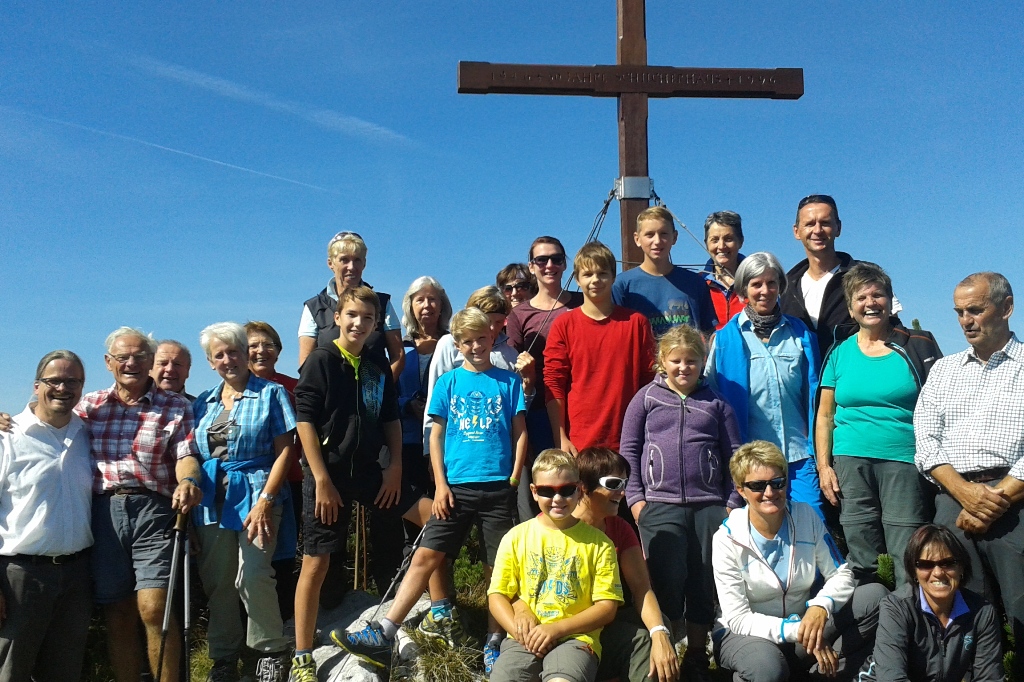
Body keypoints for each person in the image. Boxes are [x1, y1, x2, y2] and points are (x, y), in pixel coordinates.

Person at [336, 307, 527, 676]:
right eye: (467, 341)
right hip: (455, 488)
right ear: (457, 345)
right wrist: (439, 484)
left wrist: (515, 478)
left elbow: (520, 432)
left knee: (496, 569)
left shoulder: (508, 381)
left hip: (498, 487)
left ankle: (493, 640)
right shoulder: (448, 382)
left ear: (492, 337)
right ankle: (386, 631)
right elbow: (435, 435)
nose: (475, 346)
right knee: (426, 555)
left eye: (481, 339)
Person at [289, 286, 437, 682]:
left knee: (435, 523)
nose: (359, 323)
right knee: (316, 563)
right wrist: (320, 480)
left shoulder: (374, 365)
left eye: (368, 319)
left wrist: (394, 469)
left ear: (376, 325)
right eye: (351, 315)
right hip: (329, 477)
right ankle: (302, 655)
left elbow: (390, 418)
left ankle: (441, 612)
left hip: (372, 472)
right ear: (337, 317)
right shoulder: (321, 360)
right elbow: (303, 421)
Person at [76, 327, 203, 682]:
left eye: (138, 357)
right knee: (117, 610)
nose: (130, 363)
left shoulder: (175, 406)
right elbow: (49, 420)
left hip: (154, 509)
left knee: (154, 608)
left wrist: (189, 480)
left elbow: (186, 454)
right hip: (102, 511)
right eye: (122, 357)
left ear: (150, 361)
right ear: (108, 363)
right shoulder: (90, 405)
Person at [914, 271, 1024, 680]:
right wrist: (965, 494)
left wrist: (993, 499)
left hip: (1015, 504)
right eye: (959, 312)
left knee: (1021, 609)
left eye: (976, 309)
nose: (966, 320)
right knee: (954, 610)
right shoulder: (943, 370)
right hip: (952, 501)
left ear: (1007, 307)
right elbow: (925, 439)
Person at [620, 325, 741, 680]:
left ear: (703, 362)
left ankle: (698, 658)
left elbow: (735, 454)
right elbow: (629, 450)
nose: (683, 368)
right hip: (658, 505)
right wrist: (636, 501)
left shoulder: (717, 403)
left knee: (704, 580)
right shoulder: (646, 399)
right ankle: (667, 655)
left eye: (691, 361)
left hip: (710, 506)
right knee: (667, 580)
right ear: (662, 361)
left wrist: (731, 503)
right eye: (676, 361)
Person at [712, 441, 887, 682]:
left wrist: (820, 606)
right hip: (748, 636)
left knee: (876, 596)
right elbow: (739, 618)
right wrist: (798, 630)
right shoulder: (726, 539)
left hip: (804, 627)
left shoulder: (806, 515)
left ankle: (822, 674)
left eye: (777, 482)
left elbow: (841, 573)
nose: (770, 492)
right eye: (757, 486)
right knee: (767, 669)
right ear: (741, 490)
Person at [814, 264, 941, 586]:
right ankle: (870, 625)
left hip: (903, 459)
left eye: (878, 294)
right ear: (850, 306)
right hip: (851, 462)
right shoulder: (839, 352)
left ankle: (912, 625)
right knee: (861, 555)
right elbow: (825, 415)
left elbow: (942, 405)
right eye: (861, 297)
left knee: (908, 552)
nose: (871, 303)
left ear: (890, 299)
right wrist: (824, 467)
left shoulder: (917, 345)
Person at [512, 447, 679, 682]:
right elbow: (515, 586)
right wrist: (521, 610)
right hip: (552, 627)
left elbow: (641, 588)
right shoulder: (548, 526)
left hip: (599, 624)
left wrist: (659, 634)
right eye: (613, 483)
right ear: (583, 487)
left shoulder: (619, 528)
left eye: (625, 483)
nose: (622, 492)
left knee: (657, 628)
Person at [192, 322, 297, 682]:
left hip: (257, 492)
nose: (228, 359)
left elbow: (286, 451)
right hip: (212, 498)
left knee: (253, 574)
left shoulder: (270, 393)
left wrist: (267, 498)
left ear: (245, 353)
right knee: (218, 579)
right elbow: (191, 452)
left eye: (234, 351)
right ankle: (224, 657)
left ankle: (269, 649)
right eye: (218, 355)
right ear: (210, 362)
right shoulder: (202, 402)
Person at [488, 449, 623, 682]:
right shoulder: (516, 537)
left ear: (580, 488)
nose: (558, 499)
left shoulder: (600, 543)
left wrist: (555, 630)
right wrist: (522, 634)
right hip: (523, 640)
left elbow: (607, 607)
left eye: (566, 490)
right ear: (533, 491)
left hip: (576, 639)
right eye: (547, 491)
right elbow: (497, 595)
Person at [705, 252, 824, 517]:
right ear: (743, 288)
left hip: (798, 455)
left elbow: (815, 394)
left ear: (780, 286)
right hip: (751, 457)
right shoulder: (725, 339)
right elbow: (711, 397)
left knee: (813, 520)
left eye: (771, 283)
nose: (765, 291)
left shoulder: (801, 333)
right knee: (762, 529)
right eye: (756, 284)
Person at [0, 351, 93, 682]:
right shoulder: (7, 437)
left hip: (77, 576)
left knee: (64, 671)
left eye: (73, 381)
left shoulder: (87, 433)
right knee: (12, 671)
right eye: (54, 380)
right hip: (20, 577)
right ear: (37, 385)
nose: (63, 388)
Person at [545, 241, 655, 454]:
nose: (595, 280)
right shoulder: (563, 325)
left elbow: (649, 382)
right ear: (577, 279)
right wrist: (561, 437)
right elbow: (553, 383)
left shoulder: (636, 322)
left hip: (629, 441)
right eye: (588, 274)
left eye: (602, 273)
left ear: (614, 277)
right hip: (579, 442)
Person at [859, 524, 1003, 682]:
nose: (938, 573)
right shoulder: (896, 606)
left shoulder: (981, 612)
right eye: (926, 565)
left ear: (961, 567)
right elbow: (891, 678)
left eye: (948, 563)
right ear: (913, 571)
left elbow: (989, 678)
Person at [506, 236, 583, 518]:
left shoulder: (582, 301)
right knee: (546, 487)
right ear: (532, 266)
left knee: (581, 485)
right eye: (542, 260)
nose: (549, 265)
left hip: (582, 406)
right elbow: (510, 368)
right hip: (538, 411)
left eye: (556, 259)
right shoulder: (519, 315)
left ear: (565, 264)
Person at [780, 194, 901, 360]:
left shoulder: (868, 276)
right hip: (804, 384)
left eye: (825, 223)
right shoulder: (785, 287)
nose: (817, 230)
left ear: (838, 227)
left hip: (856, 380)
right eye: (809, 224)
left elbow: (894, 333)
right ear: (796, 231)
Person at [422, 286, 534, 455]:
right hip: (458, 452)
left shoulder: (510, 354)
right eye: (488, 322)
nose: (493, 330)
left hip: (499, 453)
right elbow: (435, 401)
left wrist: (528, 384)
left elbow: (518, 411)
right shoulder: (448, 344)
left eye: (499, 322)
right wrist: (430, 451)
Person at [245, 321, 304, 621]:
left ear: (279, 351)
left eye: (268, 345)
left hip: (290, 482)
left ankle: (285, 620)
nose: (260, 351)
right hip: (244, 488)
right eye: (253, 345)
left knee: (283, 555)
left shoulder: (292, 387)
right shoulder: (232, 391)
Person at [297, 231, 404, 379]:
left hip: (375, 398)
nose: (351, 267)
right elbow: (306, 363)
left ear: (364, 263)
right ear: (331, 264)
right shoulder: (313, 308)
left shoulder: (383, 304)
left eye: (357, 260)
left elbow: (398, 355)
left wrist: (379, 392)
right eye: (344, 260)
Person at [612, 206, 717, 338]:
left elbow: (709, 335)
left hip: (687, 359)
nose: (657, 241)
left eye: (663, 234)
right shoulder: (622, 286)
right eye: (649, 234)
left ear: (674, 237)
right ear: (637, 239)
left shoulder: (695, 283)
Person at [397, 276, 453, 493]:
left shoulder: (454, 345)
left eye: (432, 299)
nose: (427, 305)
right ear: (410, 306)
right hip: (406, 440)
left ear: (442, 306)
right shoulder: (399, 347)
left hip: (444, 441)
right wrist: (407, 405)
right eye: (420, 300)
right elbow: (386, 392)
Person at [700, 211, 746, 330]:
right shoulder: (697, 284)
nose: (721, 246)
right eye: (714, 240)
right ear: (706, 244)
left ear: (740, 241)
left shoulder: (757, 282)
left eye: (728, 239)